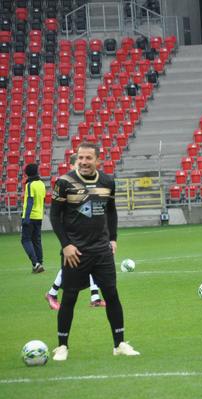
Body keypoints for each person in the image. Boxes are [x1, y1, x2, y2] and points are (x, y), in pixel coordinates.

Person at [49, 142, 139, 360]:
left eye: (89, 158)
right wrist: (66, 245)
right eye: (80, 158)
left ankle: (119, 344)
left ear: (98, 160)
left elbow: (112, 212)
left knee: (112, 295)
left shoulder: (107, 182)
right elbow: (54, 216)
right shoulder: (64, 183)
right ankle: (62, 346)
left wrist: (113, 239)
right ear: (76, 158)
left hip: (101, 251)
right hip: (75, 253)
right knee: (69, 297)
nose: (84, 162)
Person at [45, 153, 106, 310]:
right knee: (73, 262)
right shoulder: (65, 183)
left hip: (83, 231)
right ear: (72, 165)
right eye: (78, 165)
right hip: (72, 232)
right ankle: (52, 293)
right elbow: (61, 211)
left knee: (91, 260)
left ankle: (95, 297)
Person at [21, 163, 46, 273]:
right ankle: (40, 263)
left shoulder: (30, 185)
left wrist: (26, 218)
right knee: (37, 240)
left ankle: (35, 264)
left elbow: (30, 201)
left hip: (30, 216)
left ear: (27, 173)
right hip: (39, 216)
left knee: (25, 240)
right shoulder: (41, 183)